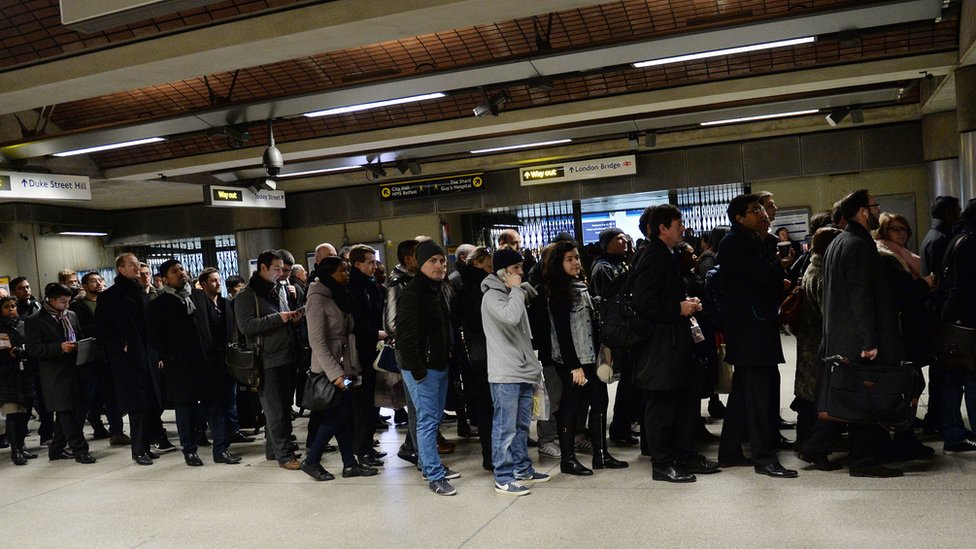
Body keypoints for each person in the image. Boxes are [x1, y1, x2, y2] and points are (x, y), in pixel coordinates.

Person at [815, 189, 906, 477]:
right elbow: (861, 296)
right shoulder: (857, 244)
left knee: (852, 398)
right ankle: (863, 460)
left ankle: (821, 447)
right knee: (866, 399)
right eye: (875, 205)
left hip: (843, 335)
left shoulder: (840, 241)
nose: (879, 210)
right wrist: (870, 340)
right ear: (863, 212)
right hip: (859, 339)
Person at [631, 205, 719, 482]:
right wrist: (677, 307)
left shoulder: (666, 255)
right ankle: (662, 463)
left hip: (675, 343)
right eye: (678, 223)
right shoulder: (653, 257)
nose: (683, 227)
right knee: (662, 407)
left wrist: (687, 303)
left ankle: (685, 455)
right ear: (662, 229)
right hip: (660, 347)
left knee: (683, 403)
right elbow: (643, 303)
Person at [716, 194, 797, 478]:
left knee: (742, 395)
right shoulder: (738, 242)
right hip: (750, 330)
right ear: (739, 218)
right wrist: (776, 271)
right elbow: (764, 277)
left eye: (761, 208)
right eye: (754, 210)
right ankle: (765, 458)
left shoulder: (749, 240)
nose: (761, 213)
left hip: (753, 327)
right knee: (759, 397)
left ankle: (728, 452)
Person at [543, 240, 628, 476]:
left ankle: (601, 455)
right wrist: (574, 366)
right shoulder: (559, 293)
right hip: (574, 362)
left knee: (600, 403)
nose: (575, 263)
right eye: (569, 259)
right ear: (558, 263)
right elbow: (562, 334)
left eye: (577, 258)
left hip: (592, 358)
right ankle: (567, 460)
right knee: (571, 407)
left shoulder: (582, 286)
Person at [149, 260, 241, 466]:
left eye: (181, 269)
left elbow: (215, 324)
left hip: (207, 363)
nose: (181, 273)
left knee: (215, 408)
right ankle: (189, 451)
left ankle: (221, 450)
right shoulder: (160, 304)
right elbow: (155, 337)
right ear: (164, 279)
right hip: (180, 366)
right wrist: (172, 356)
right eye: (174, 272)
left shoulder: (199, 296)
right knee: (186, 410)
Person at [301, 256, 378, 481]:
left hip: (348, 366)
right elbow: (317, 342)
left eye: (347, 270)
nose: (347, 274)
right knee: (339, 414)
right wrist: (336, 375)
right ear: (328, 273)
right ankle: (312, 460)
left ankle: (349, 464)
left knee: (344, 414)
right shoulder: (317, 298)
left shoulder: (340, 295)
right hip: (331, 371)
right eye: (342, 270)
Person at [482, 247, 548, 495]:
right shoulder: (492, 297)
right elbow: (510, 317)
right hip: (505, 373)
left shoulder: (513, 292)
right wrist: (518, 290)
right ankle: (503, 476)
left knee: (521, 426)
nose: (521, 273)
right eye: (515, 269)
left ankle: (522, 468)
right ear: (502, 273)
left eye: (521, 267)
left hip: (522, 369)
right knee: (504, 427)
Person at [396, 240, 459, 496]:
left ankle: (428, 464)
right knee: (427, 421)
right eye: (433, 261)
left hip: (439, 364)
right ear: (420, 264)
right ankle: (434, 475)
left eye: (442, 261)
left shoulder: (438, 289)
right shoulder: (412, 293)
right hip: (422, 369)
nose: (439, 266)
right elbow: (406, 337)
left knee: (433, 419)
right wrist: (418, 370)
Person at [235, 250, 304, 470]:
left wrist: (293, 318)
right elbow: (246, 326)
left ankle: (273, 450)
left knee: (284, 406)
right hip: (267, 359)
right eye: (276, 269)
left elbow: (283, 315)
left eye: (282, 269)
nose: (280, 273)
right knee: (275, 410)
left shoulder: (279, 289)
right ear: (262, 268)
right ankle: (285, 456)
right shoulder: (247, 295)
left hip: (286, 355)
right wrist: (278, 318)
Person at [96, 253, 163, 465]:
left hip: (147, 355)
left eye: (138, 264)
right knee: (137, 405)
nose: (136, 268)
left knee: (152, 402)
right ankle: (138, 449)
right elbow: (102, 329)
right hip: (128, 360)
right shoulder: (110, 296)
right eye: (131, 265)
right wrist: (120, 344)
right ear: (121, 269)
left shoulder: (142, 292)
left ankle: (147, 444)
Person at [25, 283, 96, 464]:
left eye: (68, 301)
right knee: (65, 411)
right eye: (63, 302)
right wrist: (59, 348)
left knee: (73, 410)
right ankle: (80, 449)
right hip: (54, 372)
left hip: (75, 368)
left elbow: (78, 335)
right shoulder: (35, 320)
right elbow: (33, 349)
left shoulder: (71, 315)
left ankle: (56, 448)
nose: (66, 305)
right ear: (51, 300)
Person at [792, 227, 842, 459]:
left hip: (810, 341)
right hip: (818, 343)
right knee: (817, 397)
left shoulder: (813, 268)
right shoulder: (822, 274)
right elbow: (829, 313)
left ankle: (806, 442)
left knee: (809, 396)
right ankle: (811, 445)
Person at [920, 195, 961, 435]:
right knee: (943, 371)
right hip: (939, 310)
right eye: (956, 209)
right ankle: (938, 419)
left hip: (934, 309)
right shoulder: (942, 239)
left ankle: (936, 418)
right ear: (947, 213)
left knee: (941, 370)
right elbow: (941, 280)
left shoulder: (932, 235)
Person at [69, 272, 124, 443]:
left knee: (112, 396)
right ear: (84, 286)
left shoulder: (108, 301)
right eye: (93, 281)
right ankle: (75, 437)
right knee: (87, 397)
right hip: (89, 357)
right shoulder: (77, 306)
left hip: (107, 355)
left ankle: (117, 431)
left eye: (100, 280)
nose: (99, 284)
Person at [346, 244, 388, 467]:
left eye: (375, 261)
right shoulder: (352, 288)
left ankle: (367, 445)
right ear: (357, 264)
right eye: (370, 262)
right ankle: (361, 449)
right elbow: (356, 322)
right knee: (362, 404)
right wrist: (376, 333)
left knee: (373, 402)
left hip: (374, 350)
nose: (374, 266)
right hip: (359, 355)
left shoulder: (371, 286)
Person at [940, 198, 976, 452]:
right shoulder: (970, 243)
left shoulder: (957, 238)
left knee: (954, 379)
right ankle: (957, 433)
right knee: (968, 379)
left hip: (957, 319)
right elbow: (963, 286)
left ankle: (954, 432)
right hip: (967, 321)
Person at [456, 246, 495, 470]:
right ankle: (490, 453)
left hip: (477, 356)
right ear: (476, 263)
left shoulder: (469, 285)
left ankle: (491, 452)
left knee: (485, 407)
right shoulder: (475, 288)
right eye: (487, 263)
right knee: (487, 406)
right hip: (482, 356)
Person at [1, 295, 37, 465]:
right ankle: (15, 450)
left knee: (25, 414)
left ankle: (22, 447)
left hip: (25, 375)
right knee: (13, 414)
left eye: (13, 306)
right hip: (7, 376)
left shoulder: (24, 325)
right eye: (7, 306)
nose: (11, 309)